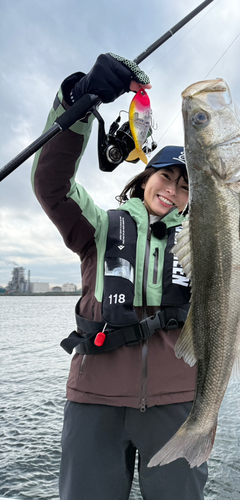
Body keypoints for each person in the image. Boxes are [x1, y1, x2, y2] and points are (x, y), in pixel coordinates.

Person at [31, 53, 208, 500]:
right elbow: (51, 185)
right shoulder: (101, 225)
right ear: (143, 178)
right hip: (95, 398)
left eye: (185, 186)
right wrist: (78, 101)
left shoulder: (203, 243)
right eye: (165, 177)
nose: (173, 190)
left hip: (177, 403)